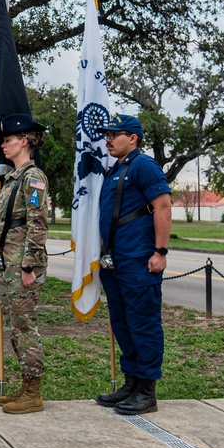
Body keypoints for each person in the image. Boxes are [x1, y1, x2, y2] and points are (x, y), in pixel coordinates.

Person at [94, 114, 171, 416]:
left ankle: (146, 391)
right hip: (116, 261)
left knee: (143, 323)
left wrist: (160, 251)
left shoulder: (144, 166)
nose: (109, 139)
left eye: (116, 134)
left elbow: (163, 205)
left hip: (138, 258)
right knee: (122, 324)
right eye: (108, 134)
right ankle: (131, 382)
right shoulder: (117, 168)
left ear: (134, 138)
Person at [0, 113, 50, 415]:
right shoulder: (13, 178)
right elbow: (4, 224)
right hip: (7, 264)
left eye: (8, 140)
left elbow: (37, 224)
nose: (3, 145)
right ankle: (25, 385)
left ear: (24, 141)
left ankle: (33, 392)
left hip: (21, 266)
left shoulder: (33, 177)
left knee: (26, 328)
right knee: (16, 329)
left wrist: (29, 266)